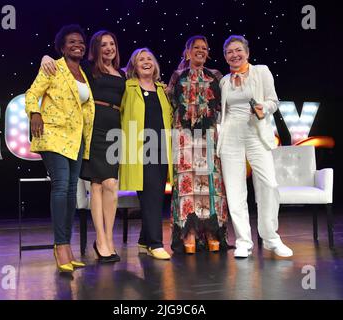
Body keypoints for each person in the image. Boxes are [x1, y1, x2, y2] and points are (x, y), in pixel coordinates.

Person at [41, 30, 125, 263]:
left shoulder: (123, 73)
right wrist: (45, 58)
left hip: (115, 130)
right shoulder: (89, 69)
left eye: (112, 43)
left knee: (111, 185)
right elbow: (63, 66)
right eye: (103, 45)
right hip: (93, 128)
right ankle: (101, 240)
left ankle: (108, 239)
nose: (109, 48)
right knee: (99, 184)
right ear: (95, 49)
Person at [217, 35, 293, 258]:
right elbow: (224, 112)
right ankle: (243, 241)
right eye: (229, 51)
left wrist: (263, 108)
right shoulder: (224, 81)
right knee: (234, 190)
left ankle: (270, 237)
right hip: (231, 134)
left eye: (238, 50)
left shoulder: (261, 72)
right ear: (225, 56)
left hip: (256, 133)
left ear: (247, 53)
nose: (234, 54)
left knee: (269, 184)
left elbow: (273, 101)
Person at [25, 24, 93, 272]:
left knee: (72, 190)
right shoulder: (53, 67)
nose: (78, 45)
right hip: (52, 133)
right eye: (72, 42)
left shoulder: (83, 73)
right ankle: (61, 244)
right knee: (62, 186)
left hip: (76, 138)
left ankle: (66, 245)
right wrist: (34, 112)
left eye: (81, 42)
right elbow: (32, 93)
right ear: (62, 47)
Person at [167, 35, 229, 254]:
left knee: (210, 183)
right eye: (196, 47)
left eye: (204, 48)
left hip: (208, 136)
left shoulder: (216, 76)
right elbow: (169, 105)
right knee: (187, 185)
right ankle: (189, 232)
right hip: (183, 137)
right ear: (187, 51)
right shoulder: (177, 76)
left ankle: (211, 231)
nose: (201, 51)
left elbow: (225, 105)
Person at [119, 48, 174, 260]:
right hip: (140, 148)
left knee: (156, 195)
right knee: (150, 195)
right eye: (140, 59)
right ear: (133, 66)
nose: (146, 62)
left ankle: (143, 240)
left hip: (162, 147)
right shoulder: (128, 87)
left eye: (149, 58)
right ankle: (155, 243)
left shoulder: (162, 89)